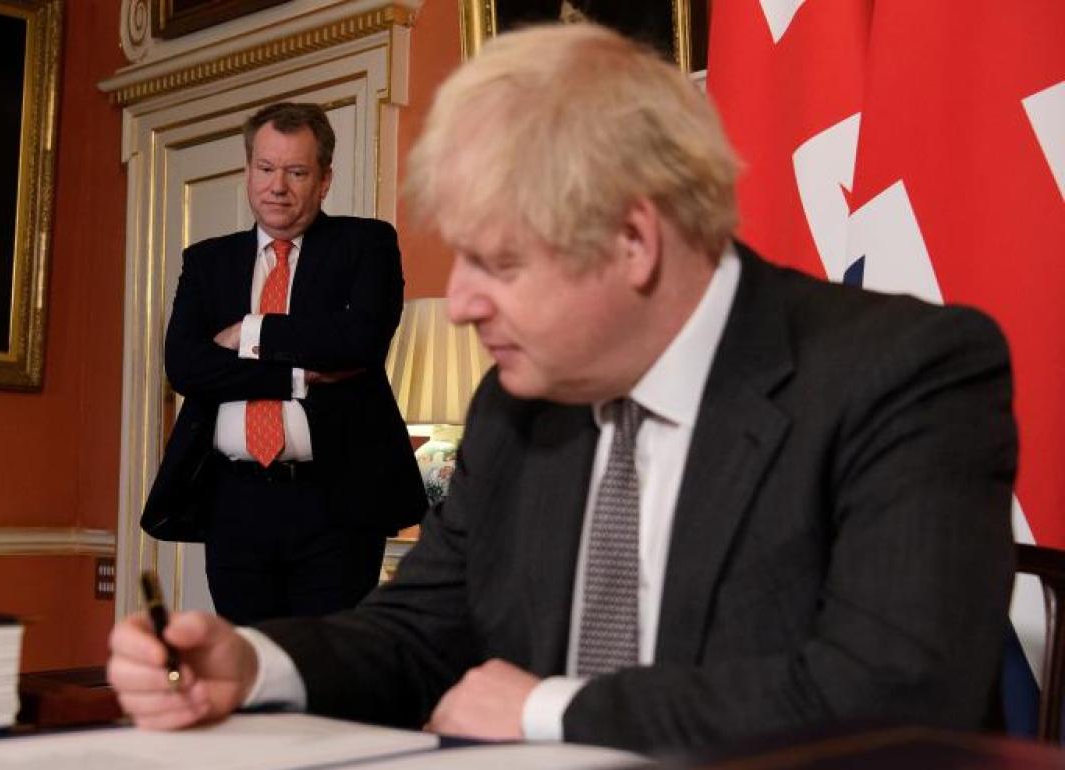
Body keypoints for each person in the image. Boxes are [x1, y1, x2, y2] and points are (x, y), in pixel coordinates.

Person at [108, 25, 1016, 754]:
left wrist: (551, 711)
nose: (463, 304)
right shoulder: (518, 406)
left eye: (499, 262)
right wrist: (253, 663)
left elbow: (897, 693)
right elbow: (417, 631)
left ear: (634, 242)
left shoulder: (903, 375)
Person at [142, 102, 427, 625]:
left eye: (296, 172)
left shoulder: (366, 244)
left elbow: (358, 342)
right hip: (234, 503)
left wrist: (248, 332)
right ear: (248, 171)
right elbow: (186, 366)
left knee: (324, 661)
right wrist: (297, 374)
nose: (277, 187)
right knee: (250, 659)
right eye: (266, 168)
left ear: (324, 180)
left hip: (335, 504)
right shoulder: (207, 261)